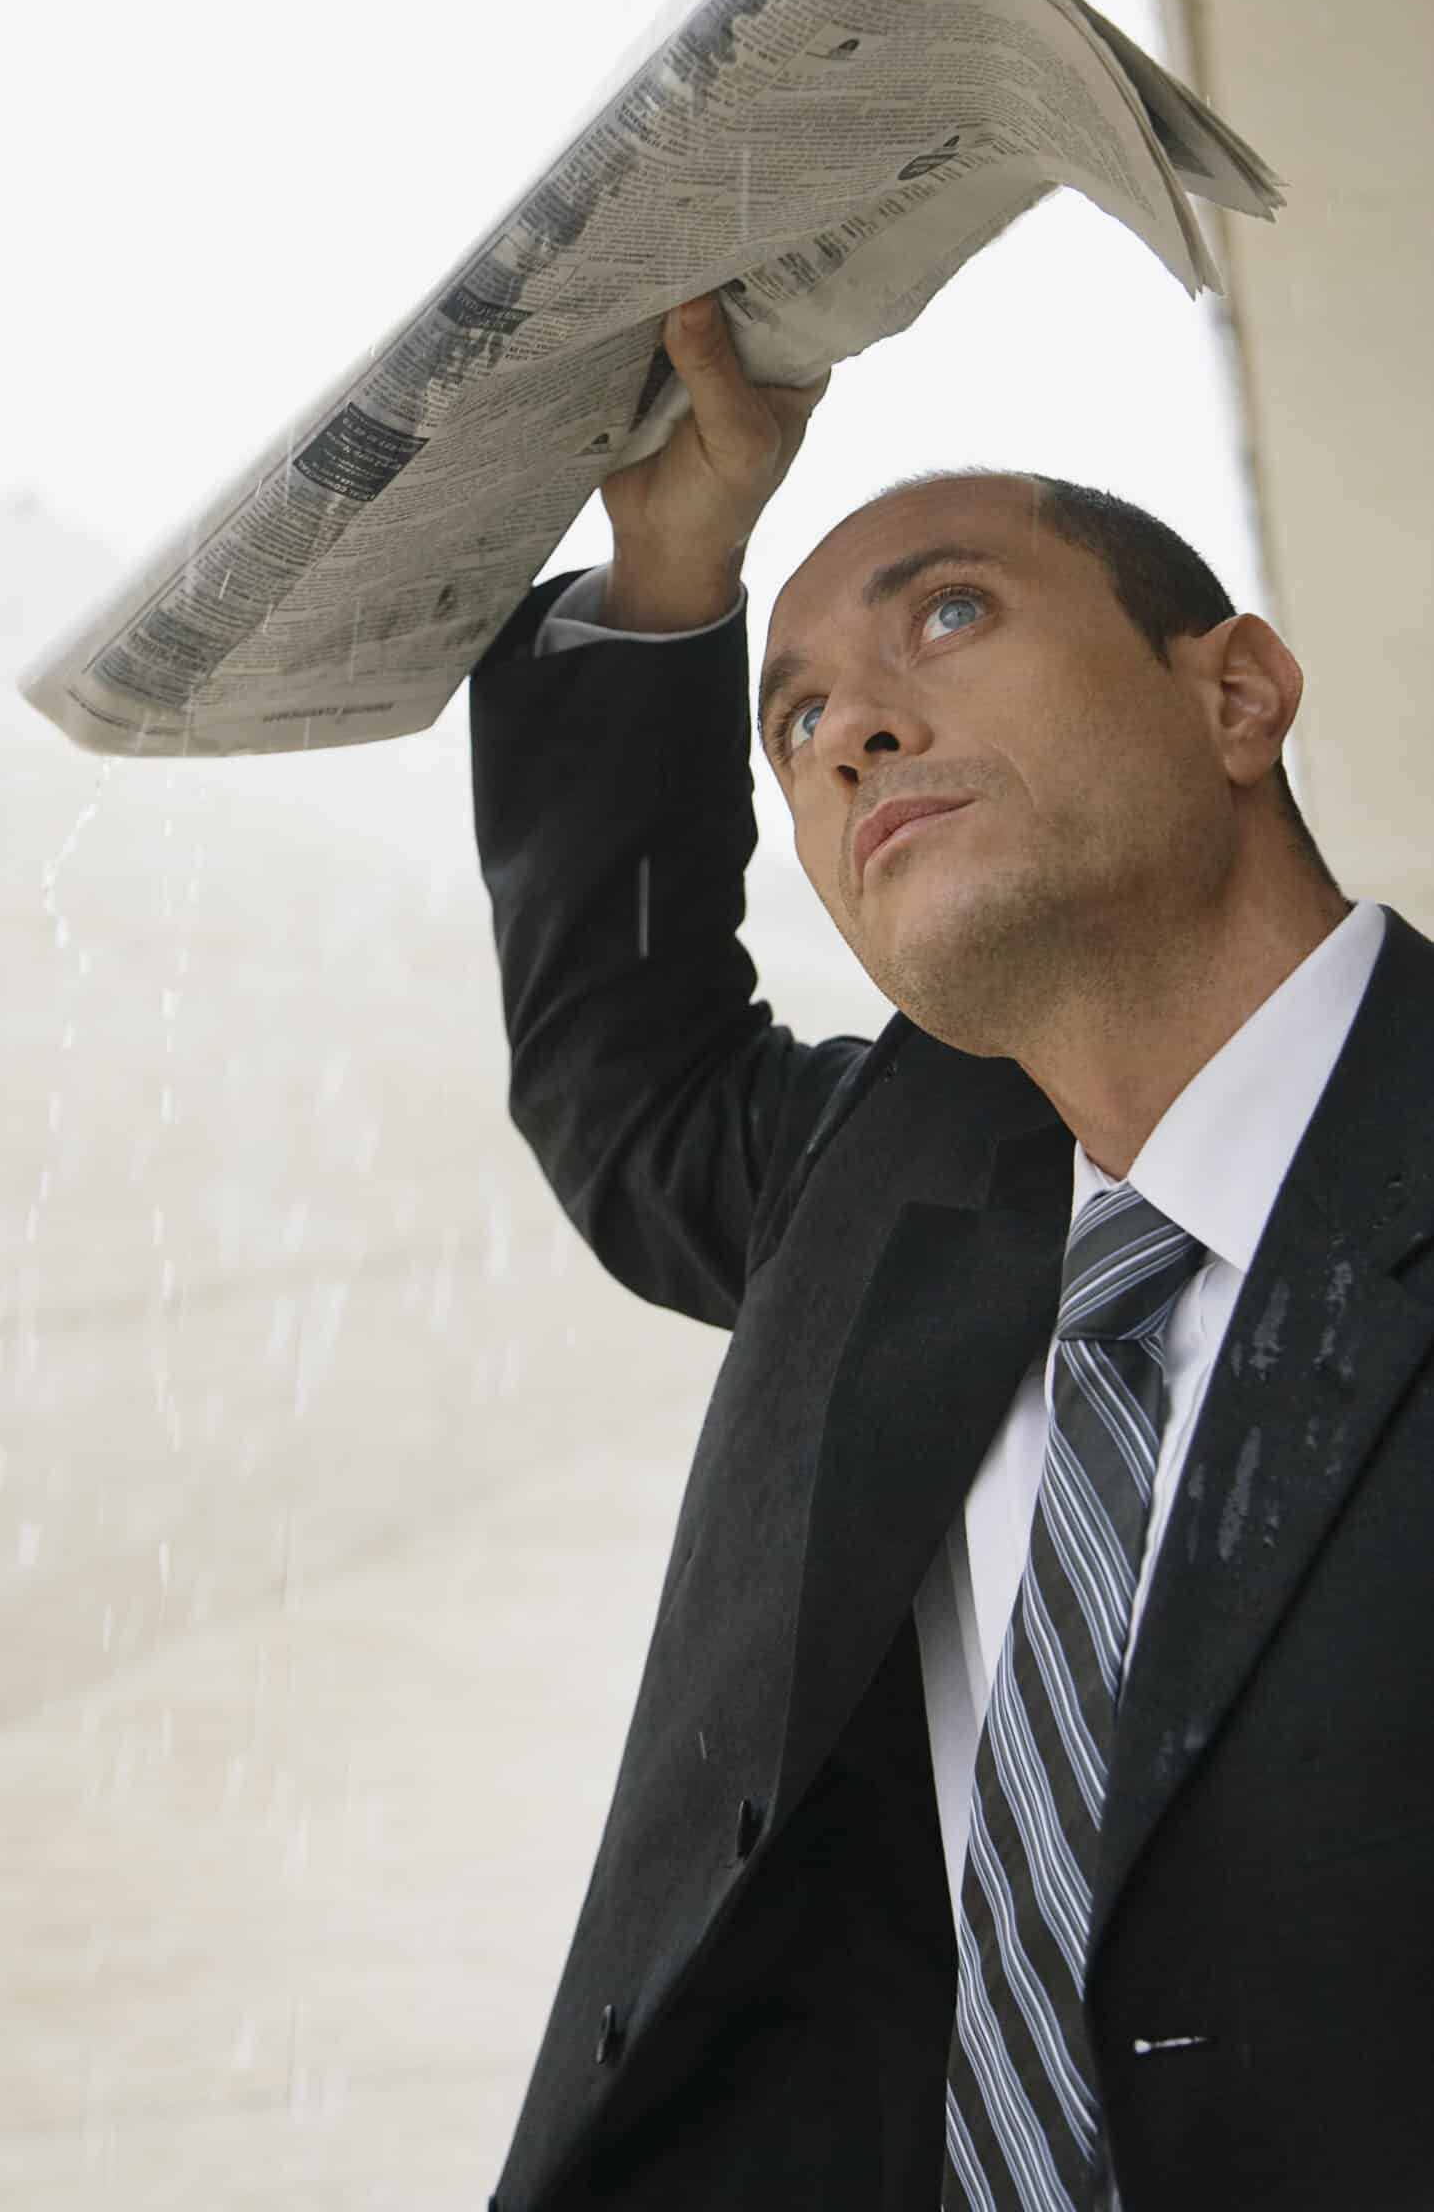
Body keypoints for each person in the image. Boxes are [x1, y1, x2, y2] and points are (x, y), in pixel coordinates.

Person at [468, 294, 1434, 2212]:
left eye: (950, 614)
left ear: (1236, 694)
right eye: (798, 713)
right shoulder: (882, 1178)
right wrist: (671, 573)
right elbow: (626, 1076)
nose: (853, 731)